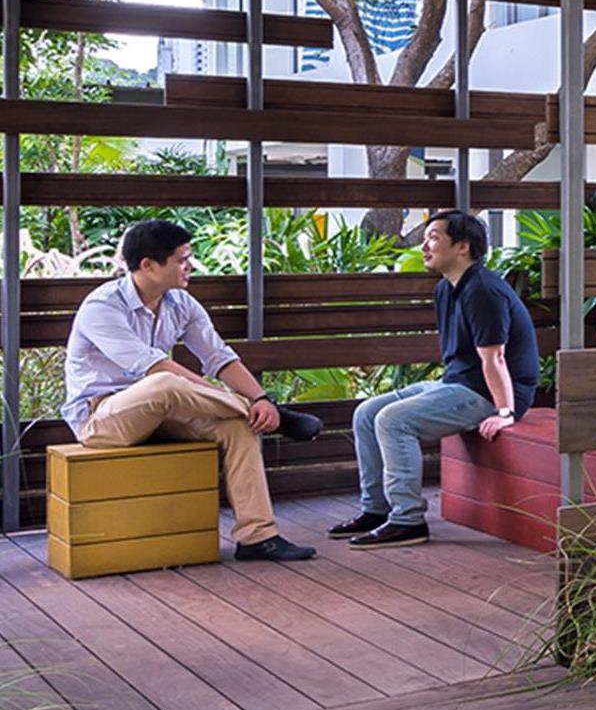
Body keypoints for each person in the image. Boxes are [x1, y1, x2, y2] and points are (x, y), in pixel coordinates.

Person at [62, 219, 319, 562]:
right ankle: (276, 415)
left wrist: (258, 399)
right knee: (165, 382)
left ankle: (258, 537)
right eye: (182, 259)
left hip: (160, 413)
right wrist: (252, 403)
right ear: (148, 266)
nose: (190, 266)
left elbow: (219, 358)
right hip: (101, 420)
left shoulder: (181, 304)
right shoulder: (102, 307)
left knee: (237, 427)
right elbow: (155, 368)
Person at [328, 209, 539, 549]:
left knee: (393, 420)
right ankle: (377, 509)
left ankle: (407, 519)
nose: (424, 245)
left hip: (491, 393)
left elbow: (495, 357)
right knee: (366, 413)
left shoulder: (483, 290)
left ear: (462, 247)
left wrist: (505, 414)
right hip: (458, 383)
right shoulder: (446, 288)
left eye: (434, 237)